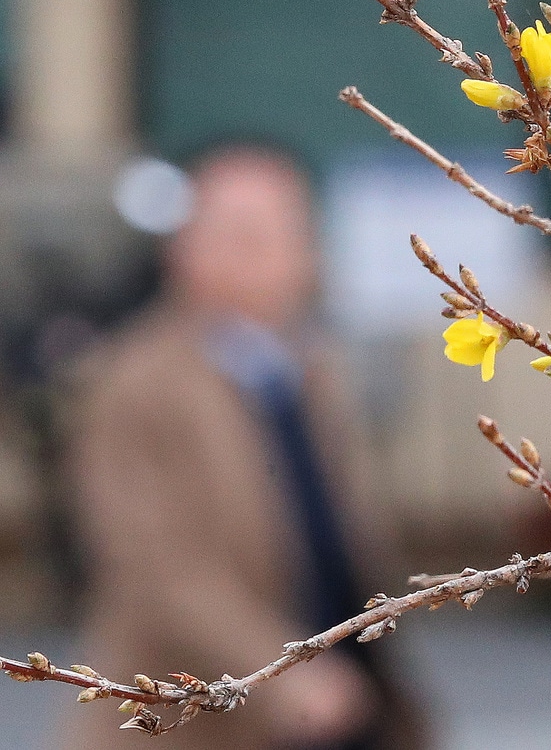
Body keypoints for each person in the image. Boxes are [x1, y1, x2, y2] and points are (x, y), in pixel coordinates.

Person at [57, 147, 426, 749]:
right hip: (200, 710)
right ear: (181, 248)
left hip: (344, 693)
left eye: (281, 233)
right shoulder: (134, 382)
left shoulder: (309, 371)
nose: (261, 254)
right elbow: (151, 566)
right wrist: (276, 675)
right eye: (236, 234)